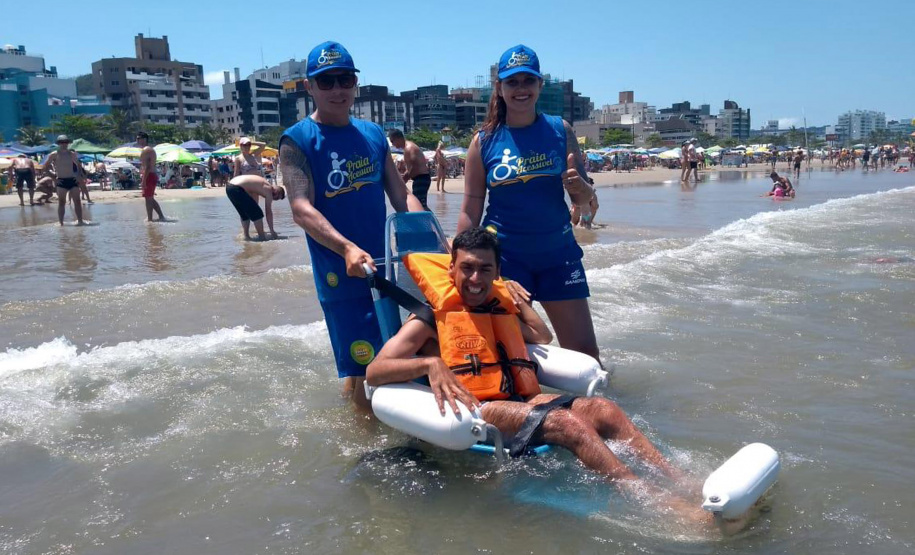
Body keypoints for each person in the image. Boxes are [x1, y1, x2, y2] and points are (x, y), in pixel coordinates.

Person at [366, 228, 707, 523]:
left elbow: (541, 336)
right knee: (567, 424)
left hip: (522, 399)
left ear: (497, 272)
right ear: (452, 268)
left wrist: (516, 299)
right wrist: (429, 364)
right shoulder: (429, 319)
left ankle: (678, 479)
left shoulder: (496, 309)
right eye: (467, 268)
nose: (475, 279)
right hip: (478, 408)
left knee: (604, 409)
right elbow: (375, 370)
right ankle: (651, 499)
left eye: (486, 269)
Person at [279, 41, 424, 410]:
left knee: (383, 355)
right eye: (326, 81)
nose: (337, 89)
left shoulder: (372, 134)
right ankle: (365, 437)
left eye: (345, 79)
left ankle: (350, 420)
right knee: (366, 365)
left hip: (384, 267)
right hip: (339, 271)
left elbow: (401, 194)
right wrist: (346, 247)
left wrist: (433, 235)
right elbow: (300, 209)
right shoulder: (297, 140)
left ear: (355, 83)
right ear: (309, 87)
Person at [457, 44, 600, 363]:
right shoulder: (483, 141)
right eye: (512, 82)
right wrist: (459, 260)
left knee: (587, 357)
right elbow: (470, 208)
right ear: (500, 87)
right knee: (509, 354)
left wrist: (580, 188)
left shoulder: (561, 130)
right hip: (506, 262)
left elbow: (585, 202)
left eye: (528, 80)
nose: (521, 88)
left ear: (540, 84)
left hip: (559, 257)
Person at [44, 135, 86, 226]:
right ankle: (61, 223)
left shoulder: (71, 154)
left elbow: (79, 166)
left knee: (77, 201)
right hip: (61, 180)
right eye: (61, 142)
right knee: (61, 202)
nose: (64, 144)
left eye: (66, 142)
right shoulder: (54, 154)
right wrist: (54, 178)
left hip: (72, 180)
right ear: (58, 143)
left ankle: (80, 221)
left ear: (68, 143)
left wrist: (78, 176)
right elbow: (45, 167)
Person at [226, 175, 284, 240]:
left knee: (245, 214)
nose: (274, 199)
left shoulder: (261, 184)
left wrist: (253, 211)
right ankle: (262, 237)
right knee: (258, 214)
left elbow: (253, 202)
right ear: (276, 192)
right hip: (237, 188)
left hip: (229, 187)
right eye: (276, 198)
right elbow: (268, 212)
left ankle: (246, 236)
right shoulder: (269, 189)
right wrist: (272, 231)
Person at [389, 129, 432, 210]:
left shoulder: (409, 148)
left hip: (421, 179)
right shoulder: (407, 148)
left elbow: (414, 166)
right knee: (420, 205)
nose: (392, 144)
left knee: (420, 206)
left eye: (392, 141)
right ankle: (429, 218)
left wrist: (404, 180)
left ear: (398, 138)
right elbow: (411, 168)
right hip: (420, 179)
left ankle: (432, 218)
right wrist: (402, 179)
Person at [137, 132, 167, 221]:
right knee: (150, 198)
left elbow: (148, 167)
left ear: (145, 139)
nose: (138, 141)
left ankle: (150, 219)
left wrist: (143, 181)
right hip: (150, 175)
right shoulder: (148, 149)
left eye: (139, 138)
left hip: (149, 175)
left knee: (148, 198)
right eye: (137, 139)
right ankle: (161, 216)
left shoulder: (146, 150)